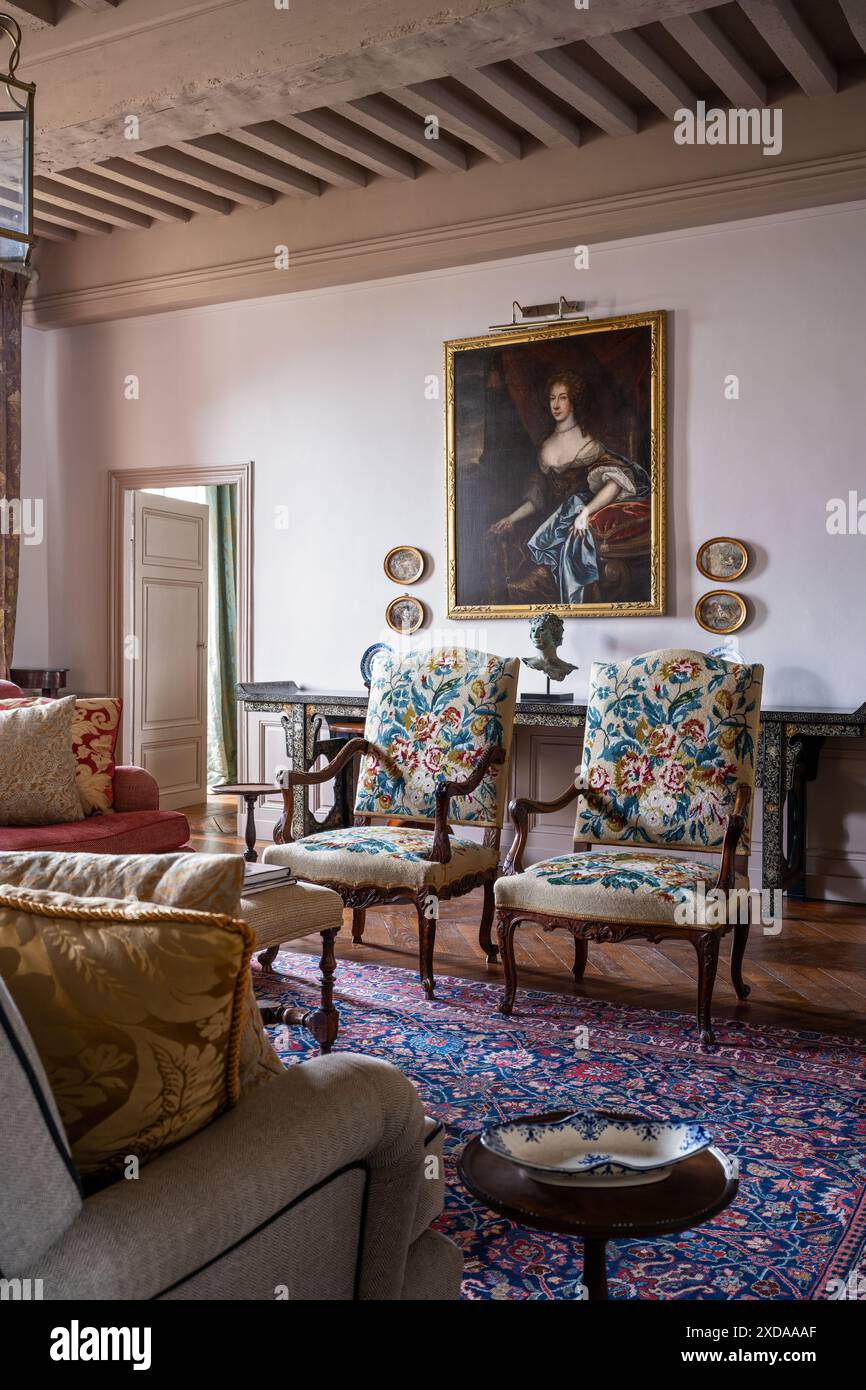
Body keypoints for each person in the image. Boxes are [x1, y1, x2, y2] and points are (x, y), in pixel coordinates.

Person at [489, 371, 649, 603]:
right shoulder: (544, 445)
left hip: (578, 513)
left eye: (562, 398)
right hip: (551, 519)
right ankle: (533, 583)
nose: (556, 404)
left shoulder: (589, 443)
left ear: (574, 401)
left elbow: (615, 482)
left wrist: (586, 512)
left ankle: (552, 585)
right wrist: (510, 519)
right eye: (552, 398)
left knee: (573, 513)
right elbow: (538, 497)